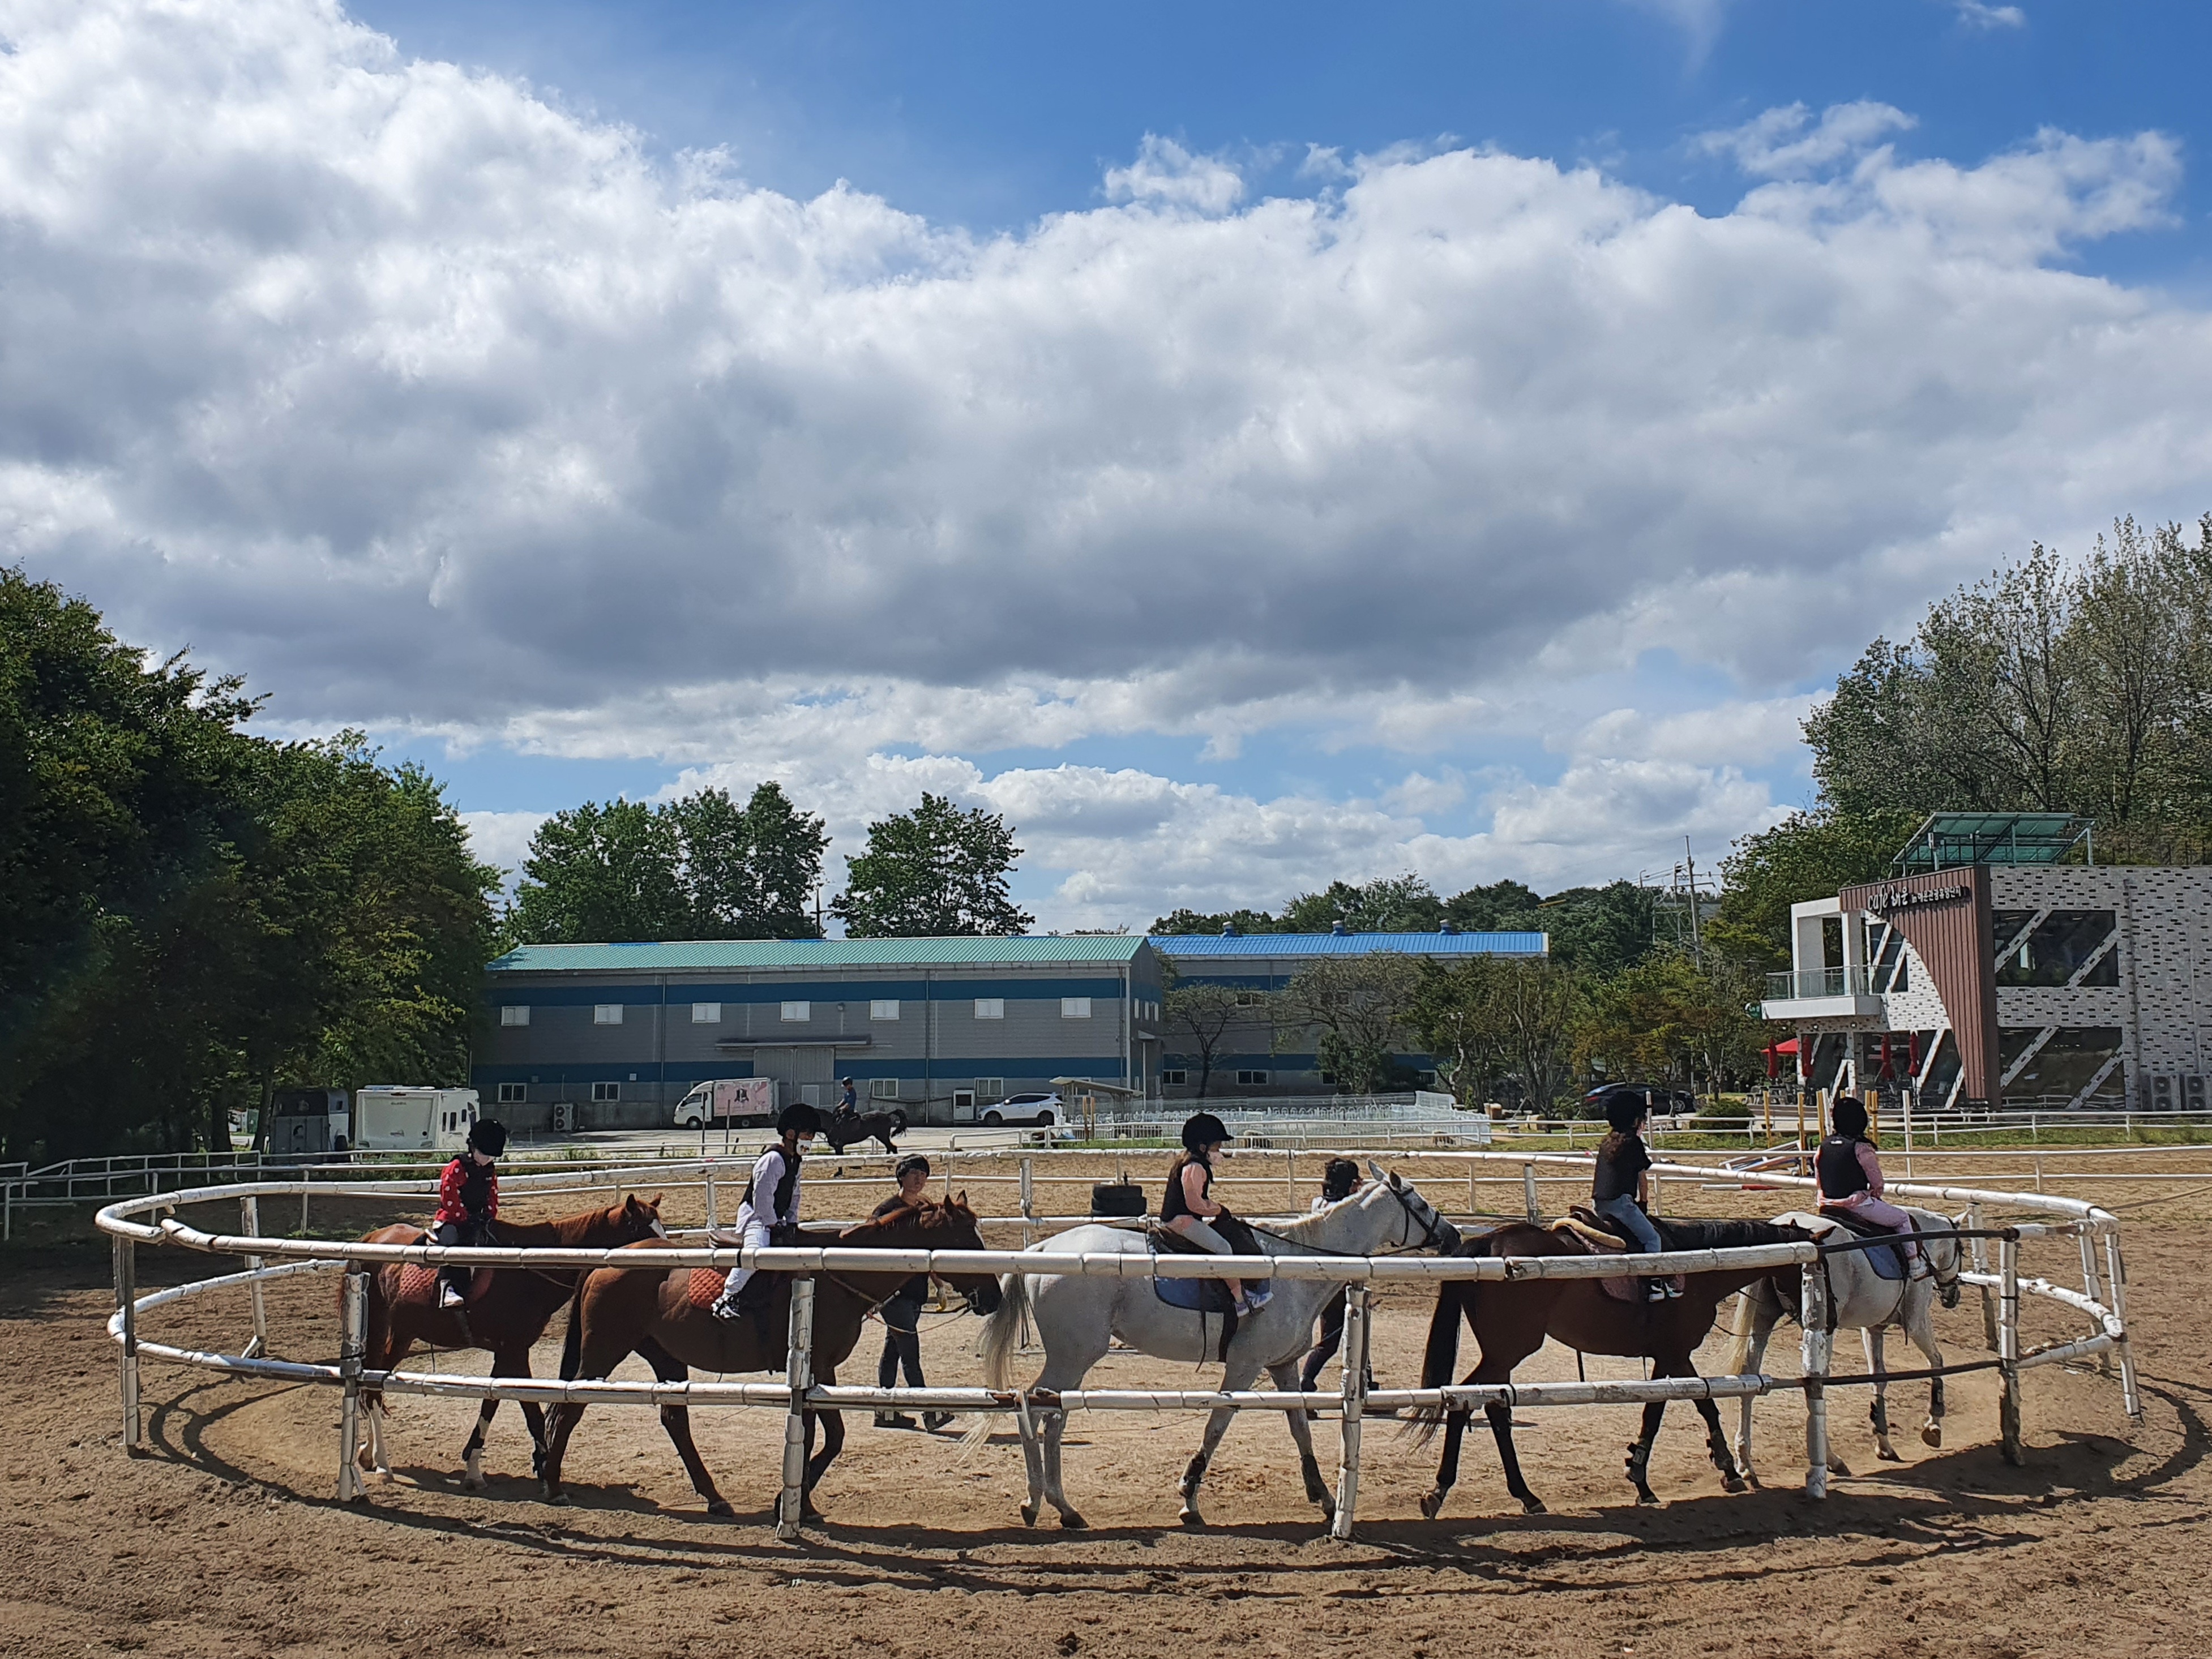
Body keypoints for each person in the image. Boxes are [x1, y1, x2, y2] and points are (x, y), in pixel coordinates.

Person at [711, 1103, 822, 1321]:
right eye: (807, 1134)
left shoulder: (795, 1161)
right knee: (756, 1252)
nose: (810, 1139)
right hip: (756, 1217)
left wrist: (792, 1223)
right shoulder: (773, 1159)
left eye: (812, 1134)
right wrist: (772, 1223)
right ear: (791, 1134)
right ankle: (727, 1297)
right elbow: (762, 1197)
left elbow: (794, 1194)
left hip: (775, 1217)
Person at [871, 1155, 951, 1431]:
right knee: (909, 1352)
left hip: (915, 1291)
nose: (919, 1179)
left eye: (923, 1174)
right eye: (914, 1173)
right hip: (894, 1294)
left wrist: (938, 1283)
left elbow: (929, 1249)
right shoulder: (887, 1211)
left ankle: (885, 1411)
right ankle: (929, 1411)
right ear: (901, 1177)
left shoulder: (926, 1207)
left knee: (893, 1348)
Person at [1162, 1112, 1271, 1314]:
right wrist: (1219, 1209)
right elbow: (1195, 1204)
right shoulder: (1195, 1167)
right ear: (1203, 1147)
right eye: (1216, 1147)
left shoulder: (1188, 1162)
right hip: (1182, 1221)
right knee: (1223, 1248)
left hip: (1181, 1218)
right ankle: (1240, 1300)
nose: (1219, 1151)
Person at [1590, 1092, 1679, 1301]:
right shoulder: (1633, 1143)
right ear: (1635, 1120)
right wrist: (1644, 1203)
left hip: (1599, 1204)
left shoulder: (1606, 1142)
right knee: (1652, 1238)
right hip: (1622, 1204)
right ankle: (1654, 1284)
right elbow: (1642, 1178)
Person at [1299, 1159, 1374, 1403]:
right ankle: (1305, 1383)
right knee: (1332, 1341)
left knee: (1357, 1336)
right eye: (1356, 1182)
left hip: (1324, 1280)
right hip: (1338, 1283)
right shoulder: (1346, 1211)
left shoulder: (1320, 1203)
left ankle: (1367, 1385)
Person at [1818, 1098, 1920, 1267]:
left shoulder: (1823, 1145)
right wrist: (1875, 1195)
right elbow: (1877, 1182)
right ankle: (1914, 1263)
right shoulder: (1862, 1148)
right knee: (1902, 1219)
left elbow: (1819, 1179)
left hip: (1826, 1204)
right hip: (1856, 1205)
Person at [432, 1118, 507, 1309]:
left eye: (491, 1157)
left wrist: (489, 1216)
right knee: (454, 1244)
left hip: (477, 1219)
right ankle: (448, 1286)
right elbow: (449, 1194)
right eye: (484, 1155)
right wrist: (463, 1216)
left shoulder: (489, 1171)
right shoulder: (457, 1167)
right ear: (473, 1147)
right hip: (451, 1219)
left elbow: (492, 1194)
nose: (487, 1160)